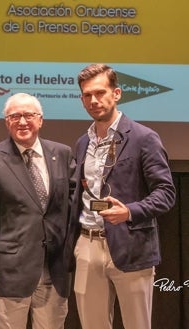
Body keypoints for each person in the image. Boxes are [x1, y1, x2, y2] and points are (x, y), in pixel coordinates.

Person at [64, 64, 176, 329]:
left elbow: (166, 193)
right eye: (87, 95)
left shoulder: (143, 138)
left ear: (116, 94)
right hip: (88, 245)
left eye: (100, 93)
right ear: (81, 99)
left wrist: (129, 211)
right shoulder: (82, 142)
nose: (94, 100)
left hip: (132, 244)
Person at [0, 92, 76, 329]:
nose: (22, 122)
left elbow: (76, 204)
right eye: (15, 116)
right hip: (10, 273)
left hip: (55, 271)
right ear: (7, 122)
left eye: (28, 115)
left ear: (40, 119)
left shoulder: (63, 154)